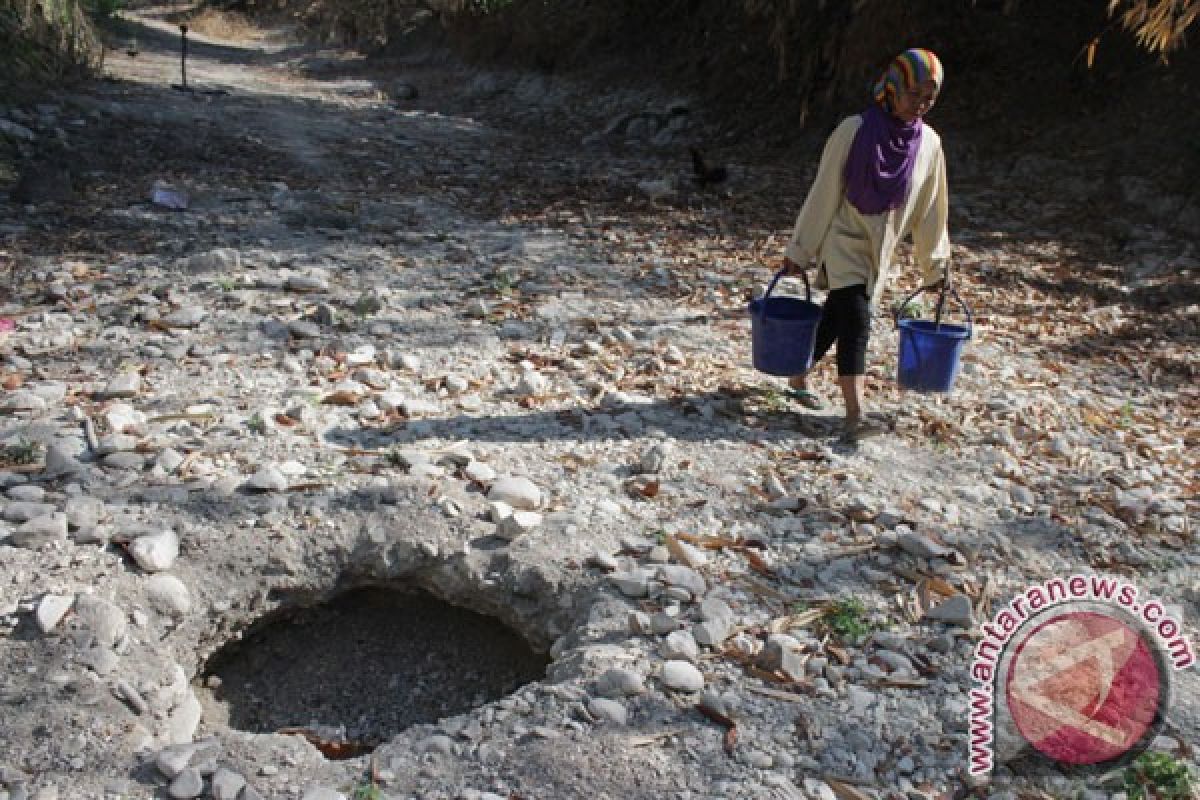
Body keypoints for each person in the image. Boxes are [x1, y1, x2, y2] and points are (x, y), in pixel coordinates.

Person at [779, 47, 952, 443]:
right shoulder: (853, 131)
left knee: (839, 315)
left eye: (930, 98)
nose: (921, 106)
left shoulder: (929, 146)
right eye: (914, 95)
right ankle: (854, 416)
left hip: (880, 253)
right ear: (892, 88)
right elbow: (823, 193)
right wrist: (800, 252)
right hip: (843, 241)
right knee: (857, 319)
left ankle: (798, 371)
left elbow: (931, 212)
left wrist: (936, 267)